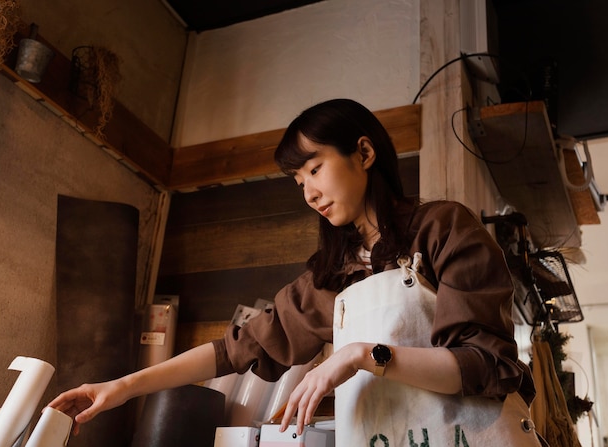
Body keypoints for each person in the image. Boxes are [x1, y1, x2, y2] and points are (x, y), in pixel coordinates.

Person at [48, 98, 540, 445]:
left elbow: (485, 364)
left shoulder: (442, 227)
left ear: (364, 154)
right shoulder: (332, 278)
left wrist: (360, 356)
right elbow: (232, 351)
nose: (307, 193)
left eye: (315, 168)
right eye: (298, 180)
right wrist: (120, 387)